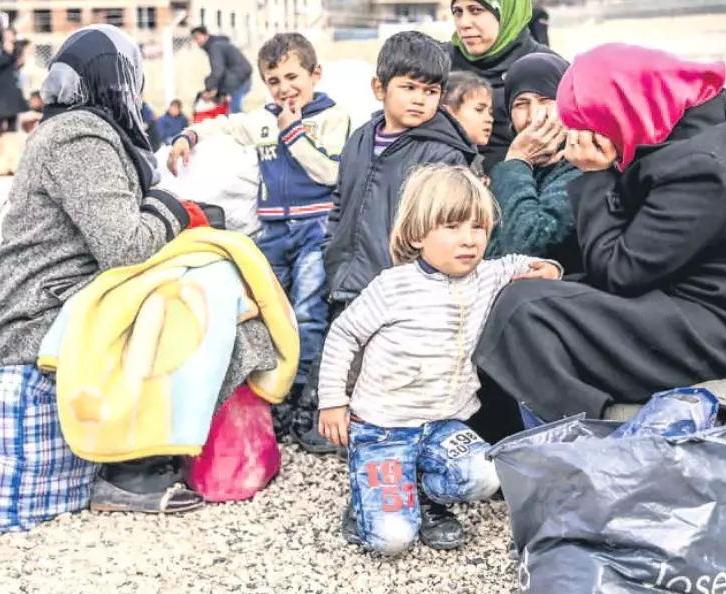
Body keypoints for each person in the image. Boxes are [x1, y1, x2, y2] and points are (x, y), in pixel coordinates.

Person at [471, 44, 726, 441]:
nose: (582, 137)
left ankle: (594, 436)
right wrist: (559, 273)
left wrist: (592, 175)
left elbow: (622, 271)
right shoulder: (674, 138)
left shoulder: (700, 167)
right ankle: (530, 437)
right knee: (521, 293)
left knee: (527, 314)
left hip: (723, 328)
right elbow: (640, 255)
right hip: (681, 296)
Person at [0, 24, 203, 514]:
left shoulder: (77, 128)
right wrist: (174, 207)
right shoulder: (80, 137)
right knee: (184, 302)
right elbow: (125, 246)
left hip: (56, 300)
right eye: (129, 77)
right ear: (112, 81)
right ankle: (129, 468)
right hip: (33, 320)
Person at [318, 165, 561, 555]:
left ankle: (418, 491)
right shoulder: (393, 286)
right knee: (391, 540)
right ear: (417, 233)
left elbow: (520, 263)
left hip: (442, 424)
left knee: (486, 474)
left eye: (477, 227)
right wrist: (332, 400)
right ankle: (370, 495)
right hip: (385, 426)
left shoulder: (486, 274)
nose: (468, 240)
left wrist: (550, 269)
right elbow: (344, 335)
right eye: (452, 226)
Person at [294, 32, 479, 452]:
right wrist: (333, 250)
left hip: (400, 283)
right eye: (408, 87)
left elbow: (442, 223)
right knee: (342, 352)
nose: (419, 99)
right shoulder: (362, 137)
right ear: (380, 88)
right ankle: (320, 427)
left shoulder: (441, 153)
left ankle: (381, 438)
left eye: (430, 91)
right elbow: (341, 198)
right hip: (350, 271)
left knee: (387, 369)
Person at [168, 32, 351, 451]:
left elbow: (329, 172)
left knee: (307, 313)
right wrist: (188, 137)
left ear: (315, 74)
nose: (285, 89)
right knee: (268, 312)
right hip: (273, 232)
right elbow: (225, 125)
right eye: (274, 80)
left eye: (293, 77)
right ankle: (275, 397)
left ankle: (306, 399)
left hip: (314, 229)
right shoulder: (264, 118)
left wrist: (292, 134)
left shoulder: (331, 117)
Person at [448, 0, 555, 174]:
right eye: (457, 12)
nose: (464, 23)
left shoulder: (544, 66)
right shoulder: (442, 63)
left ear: (505, 11)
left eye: (476, 10)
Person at [486, 52, 584, 274]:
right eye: (521, 104)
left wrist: (517, 161)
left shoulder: (582, 164)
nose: (533, 116)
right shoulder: (509, 167)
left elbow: (528, 246)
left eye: (545, 101)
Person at [442, 71, 494, 179]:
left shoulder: (468, 157)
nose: (489, 119)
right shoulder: (445, 159)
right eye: (479, 110)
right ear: (448, 111)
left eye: (490, 112)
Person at [191, 25, 253, 114]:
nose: (196, 42)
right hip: (239, 77)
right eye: (194, 39)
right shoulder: (217, 45)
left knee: (234, 110)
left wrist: (209, 88)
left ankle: (242, 126)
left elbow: (218, 71)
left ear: (205, 35)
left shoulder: (215, 47)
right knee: (230, 109)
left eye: (197, 38)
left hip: (239, 79)